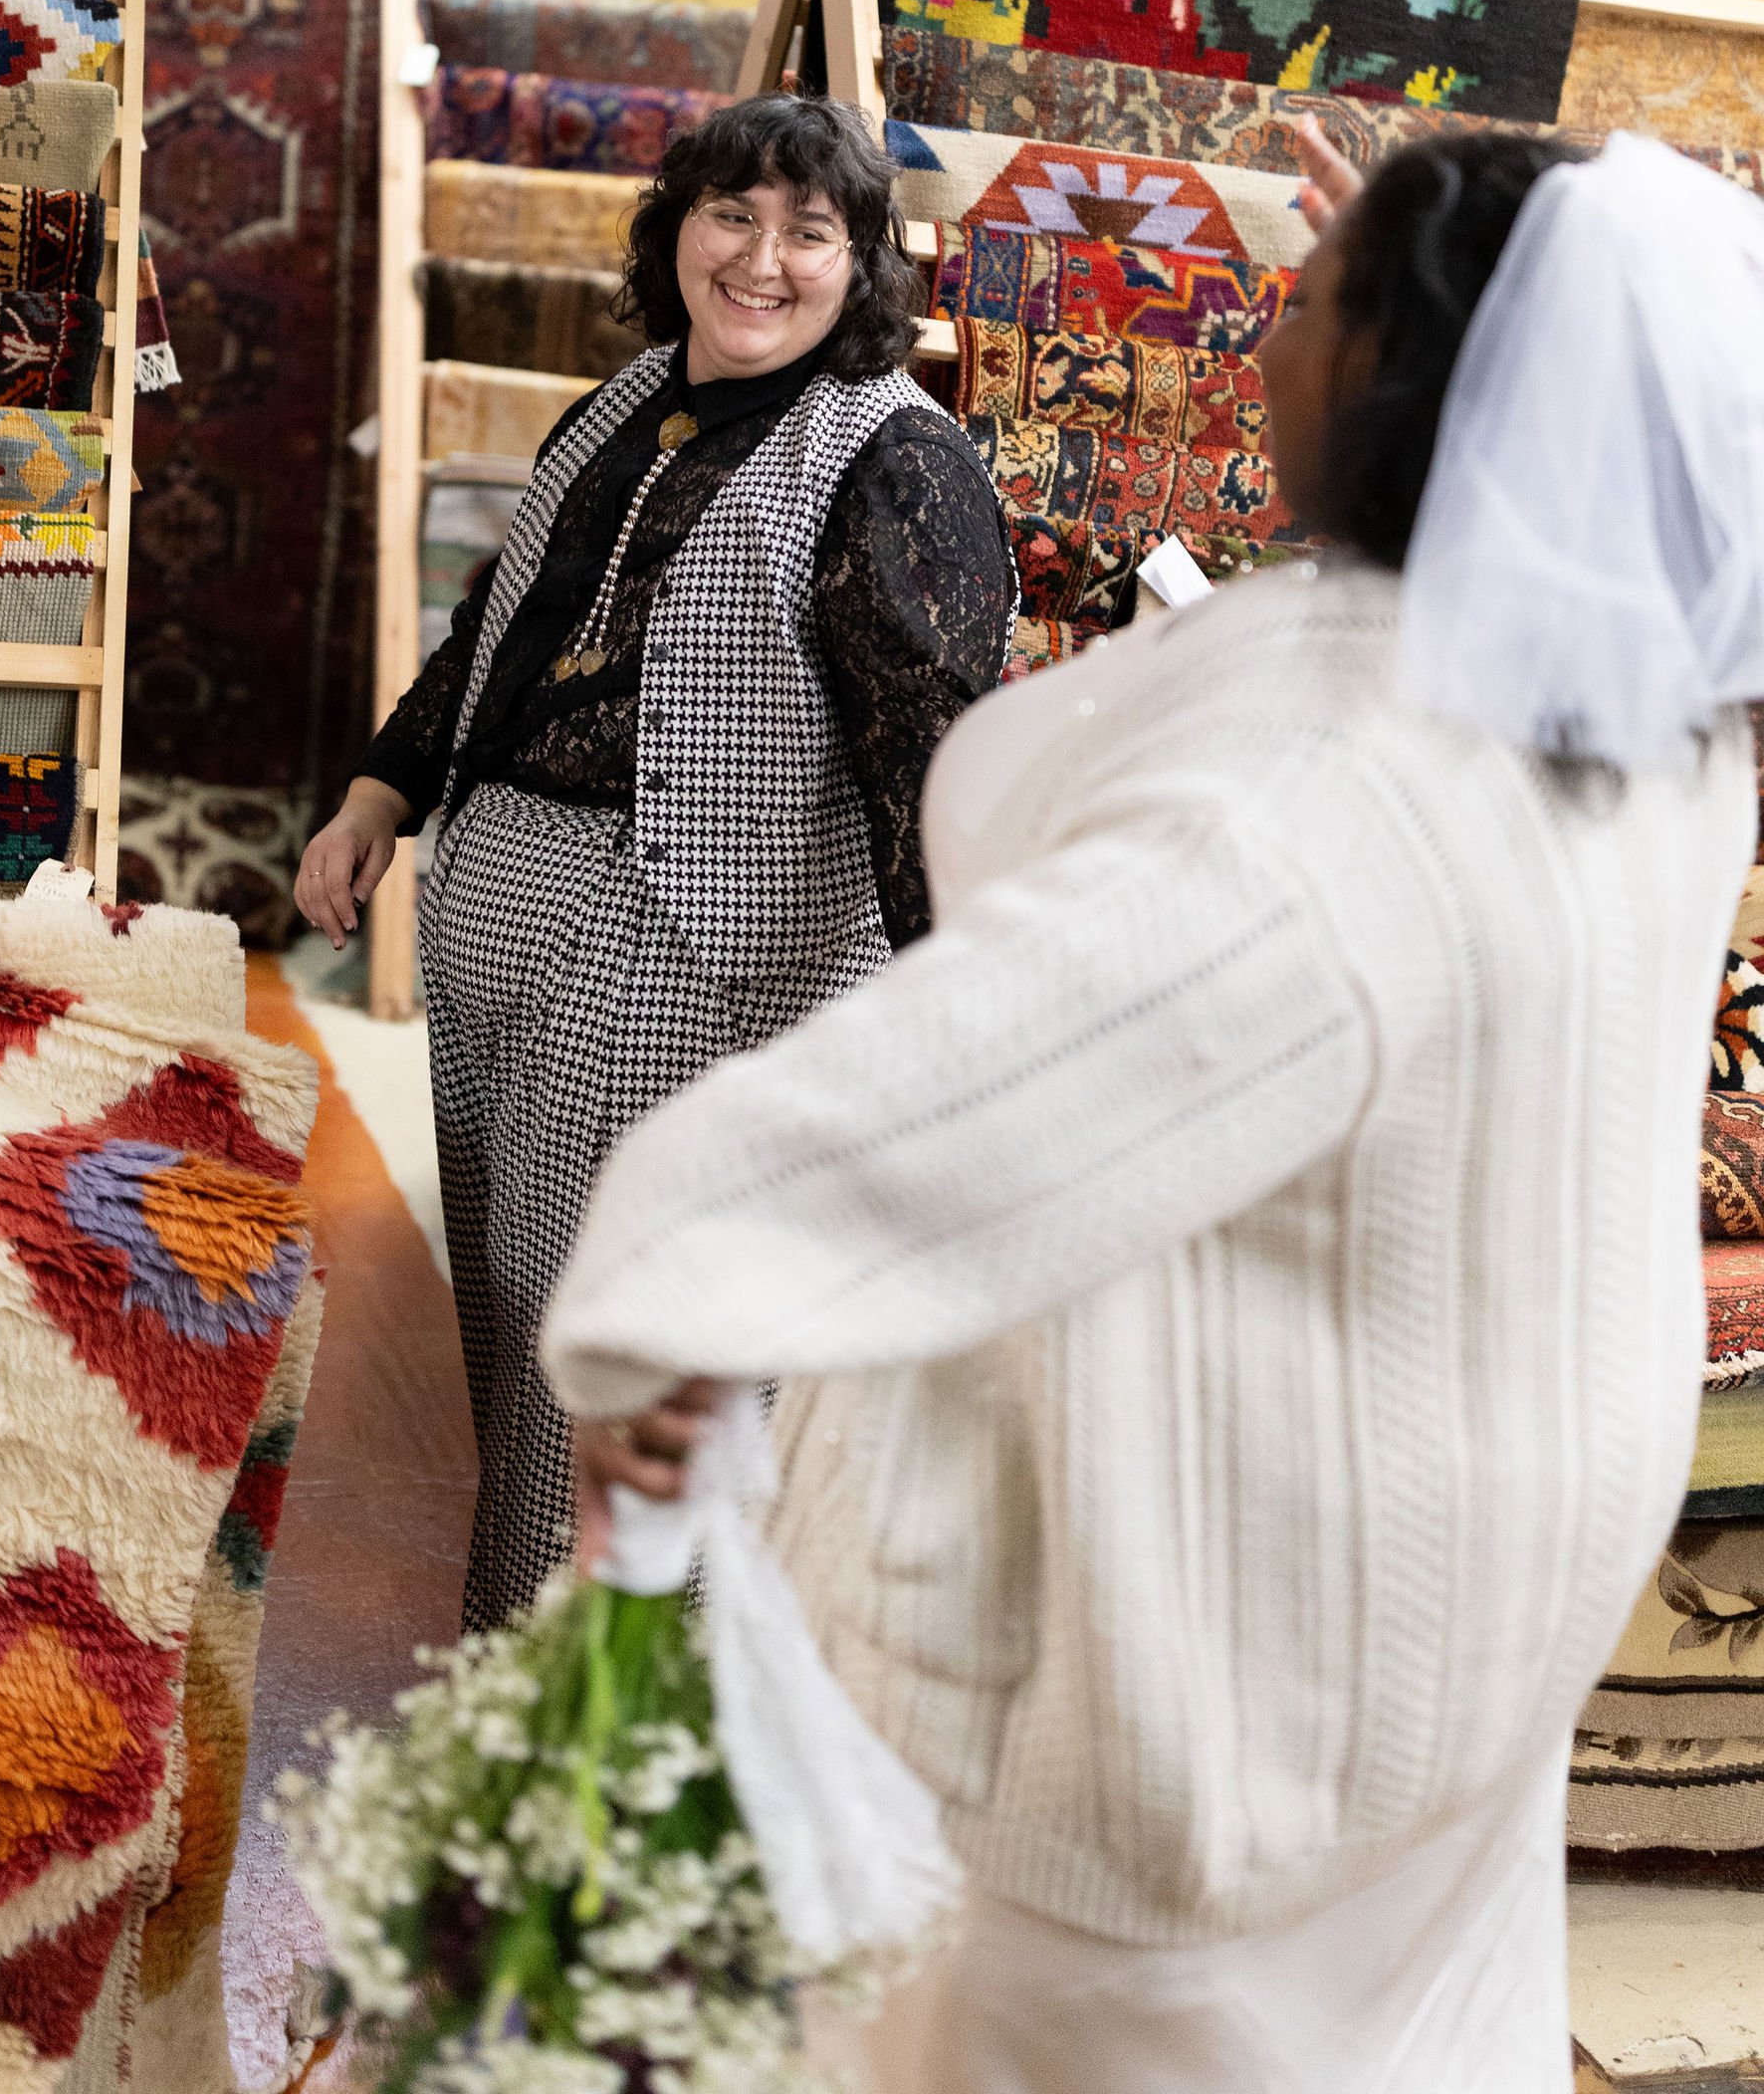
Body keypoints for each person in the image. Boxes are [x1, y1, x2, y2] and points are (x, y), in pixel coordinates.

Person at [545, 126, 1764, 2094]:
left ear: (1396, 384)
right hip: (1443, 1630)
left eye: (1303, 298)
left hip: (1196, 1677)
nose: (1250, 335)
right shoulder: (1642, 721)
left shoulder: (1340, 814)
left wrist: (660, 1291)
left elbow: (964, 1095)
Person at [296, 95, 1015, 1630]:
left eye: (809, 234)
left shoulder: (898, 462)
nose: (763, 260)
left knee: (620, 1348)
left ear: (863, 262)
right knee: (507, 1310)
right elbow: (500, 634)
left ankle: (588, 1720)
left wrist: (963, 1016)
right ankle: (538, 1667)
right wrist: (378, 796)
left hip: (690, 954)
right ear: (674, 230)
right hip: (505, 906)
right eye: (730, 217)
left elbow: (930, 761)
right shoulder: (622, 400)